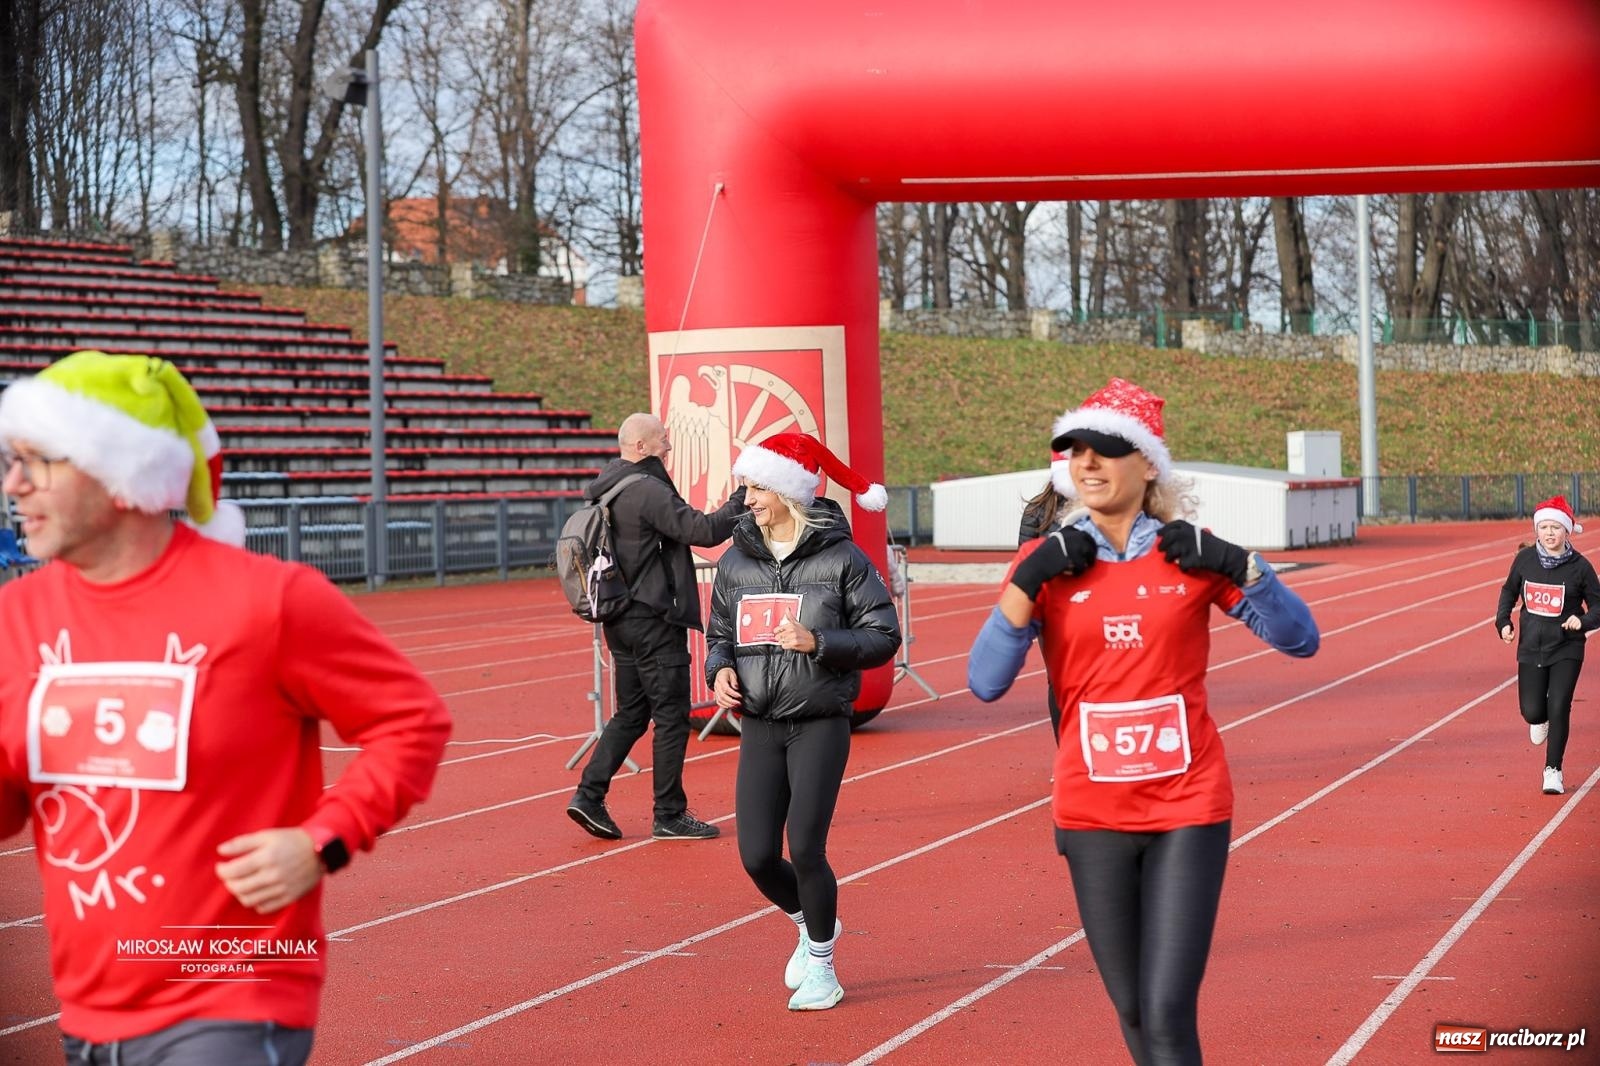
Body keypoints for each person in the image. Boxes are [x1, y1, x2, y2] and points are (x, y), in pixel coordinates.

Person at [0, 350, 452, 1066]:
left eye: (38, 461)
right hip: (87, 1008)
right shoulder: (14, 617)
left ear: (119, 473)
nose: (13, 485)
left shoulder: (269, 601)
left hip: (235, 997)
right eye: (8, 461)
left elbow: (411, 721)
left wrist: (322, 839)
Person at [967, 378, 1319, 1066]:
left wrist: (1243, 567)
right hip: (1092, 812)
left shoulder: (1191, 554)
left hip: (1188, 806)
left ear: (1148, 463)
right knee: (1133, 1010)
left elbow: (1301, 638)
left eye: (1107, 448)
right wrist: (1028, 579)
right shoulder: (1048, 564)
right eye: (1075, 450)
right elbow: (984, 681)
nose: (1088, 463)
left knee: (1165, 1009)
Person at [704, 433, 901, 1012]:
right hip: (760, 723)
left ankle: (823, 967)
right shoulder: (737, 560)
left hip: (819, 721)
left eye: (757, 487)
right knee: (757, 857)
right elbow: (719, 634)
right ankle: (813, 923)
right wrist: (719, 669)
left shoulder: (842, 558)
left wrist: (820, 641)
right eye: (747, 486)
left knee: (806, 848)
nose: (747, 498)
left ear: (789, 493)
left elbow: (883, 636)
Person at [566, 412, 747, 841]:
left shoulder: (608, 487)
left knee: (631, 712)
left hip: (620, 619)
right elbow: (701, 530)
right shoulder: (646, 490)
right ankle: (669, 813)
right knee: (670, 715)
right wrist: (743, 498)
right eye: (663, 440)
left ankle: (589, 795)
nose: (669, 446)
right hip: (653, 619)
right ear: (641, 447)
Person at [1494, 494, 1600, 796]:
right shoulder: (1524, 560)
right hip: (1530, 647)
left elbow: (1598, 606)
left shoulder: (1580, 568)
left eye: (1556, 527)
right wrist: (1503, 623)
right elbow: (1508, 592)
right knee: (1532, 712)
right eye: (1545, 528)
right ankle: (1539, 720)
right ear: (1536, 531)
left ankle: (1553, 769)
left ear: (1567, 531)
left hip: (1567, 648)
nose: (1550, 533)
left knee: (1559, 705)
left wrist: (1584, 621)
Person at [1017, 449, 1072, 742]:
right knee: (1060, 681)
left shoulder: (1105, 506)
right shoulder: (1037, 511)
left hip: (1095, 608)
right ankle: (1067, 751)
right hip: (1053, 611)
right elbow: (1024, 564)